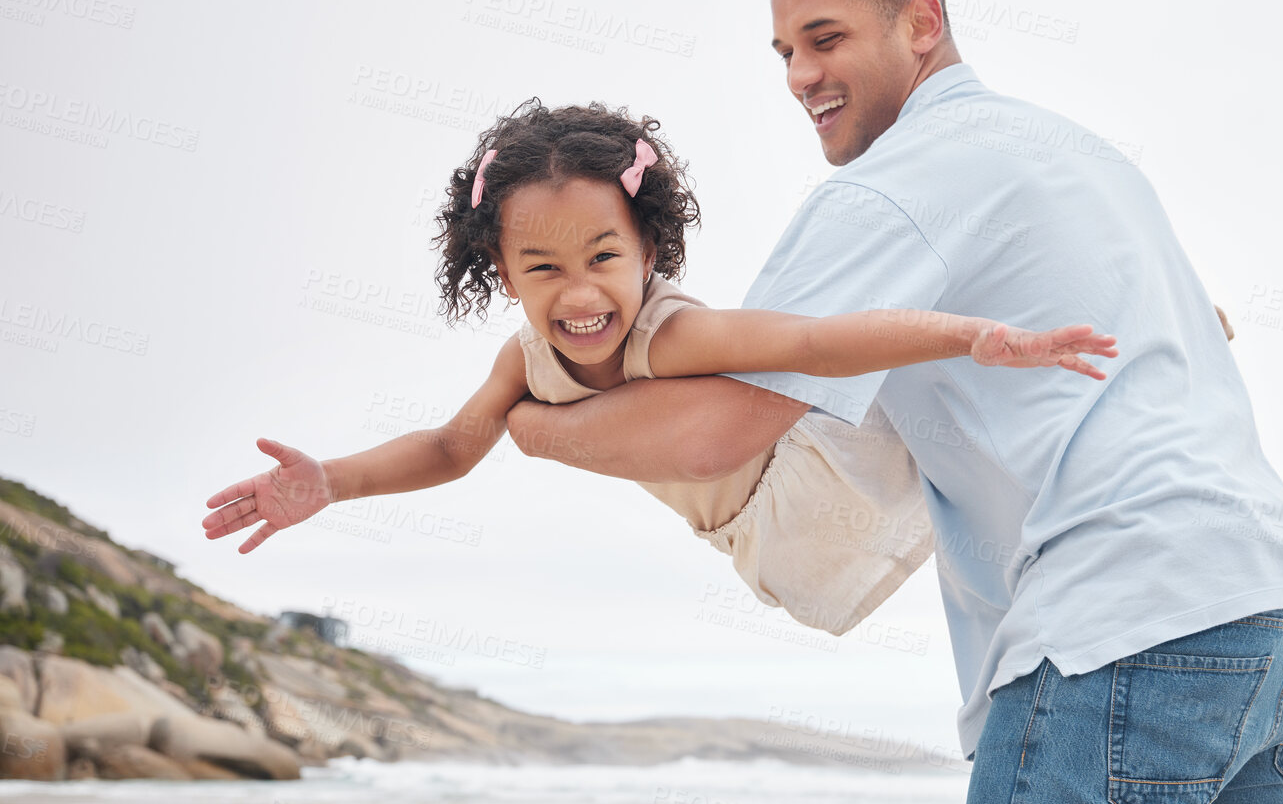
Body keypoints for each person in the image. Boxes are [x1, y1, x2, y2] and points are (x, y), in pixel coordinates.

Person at [502, 0, 1283, 804]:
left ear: (923, 23)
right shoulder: (1078, 156)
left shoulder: (893, 184)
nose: (801, 74)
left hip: (1117, 625)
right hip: (1273, 614)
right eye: (786, 51)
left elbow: (722, 425)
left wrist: (534, 427)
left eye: (829, 38)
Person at [201, 97, 1118, 639]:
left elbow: (809, 342)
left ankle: (1087, 320)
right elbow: (450, 448)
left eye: (603, 256)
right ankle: (1061, 334)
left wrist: (969, 337)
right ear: (500, 271)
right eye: (542, 269)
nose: (578, 294)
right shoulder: (519, 360)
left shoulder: (668, 335)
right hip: (768, 531)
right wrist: (332, 482)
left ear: (650, 251)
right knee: (964, 420)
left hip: (824, 467)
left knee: (951, 381)